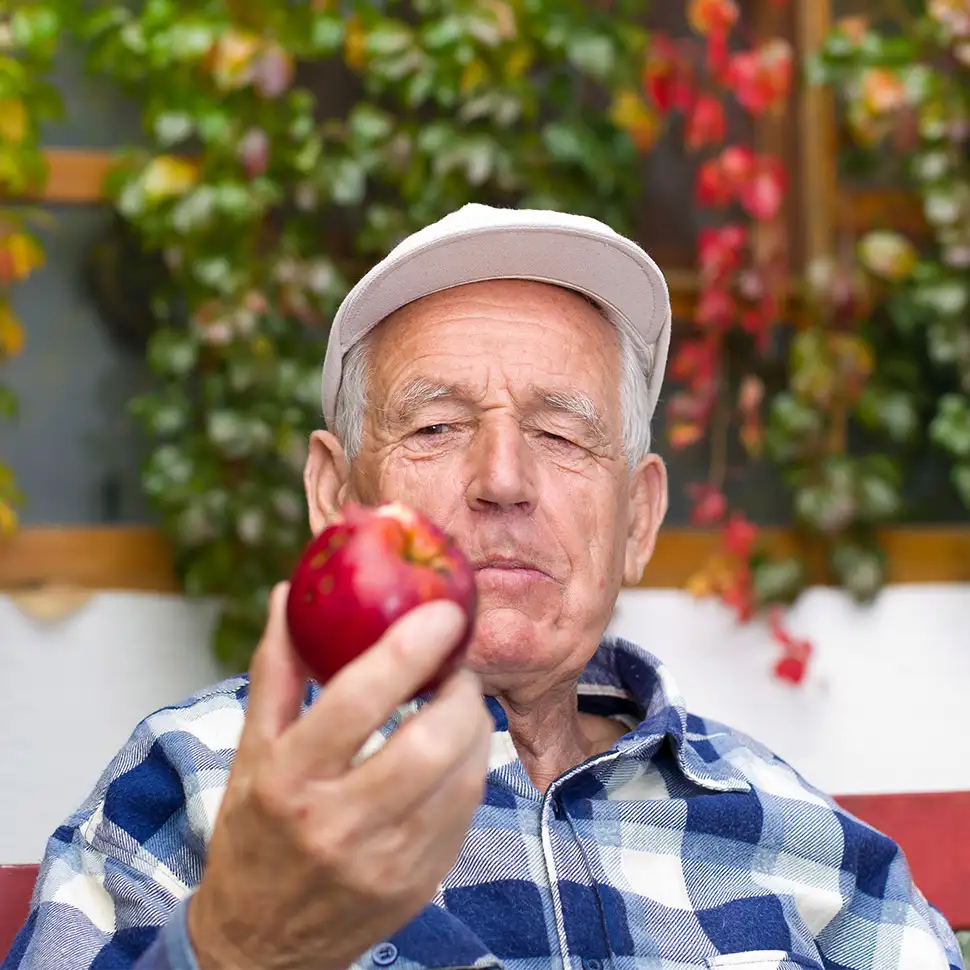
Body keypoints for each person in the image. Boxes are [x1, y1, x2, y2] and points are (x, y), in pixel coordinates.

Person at [3, 204, 962, 970]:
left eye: (560, 434)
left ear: (637, 519)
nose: (502, 479)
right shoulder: (203, 781)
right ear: (338, 499)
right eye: (434, 428)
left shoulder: (798, 832)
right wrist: (239, 950)